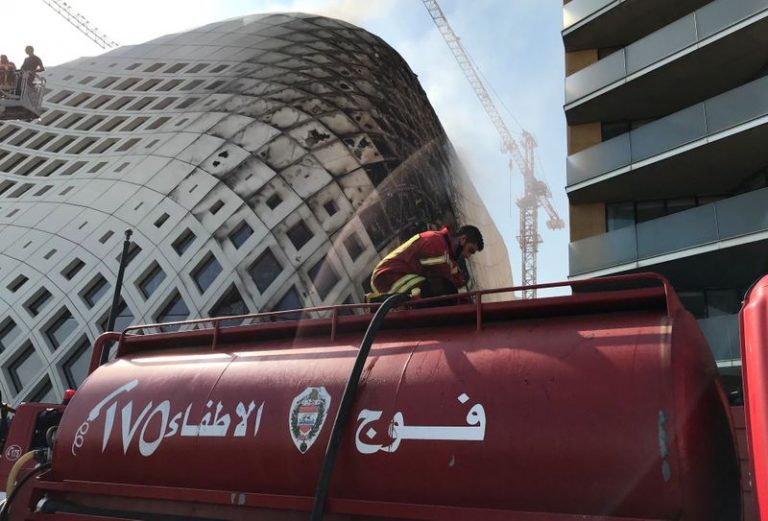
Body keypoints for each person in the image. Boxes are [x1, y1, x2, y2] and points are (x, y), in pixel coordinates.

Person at [368, 224, 484, 301]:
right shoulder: (435, 243)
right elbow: (442, 278)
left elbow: (457, 283)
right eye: (470, 250)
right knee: (438, 290)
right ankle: (377, 302)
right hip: (387, 276)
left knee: (443, 290)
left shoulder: (448, 257)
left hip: (400, 276)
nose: (467, 256)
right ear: (463, 239)